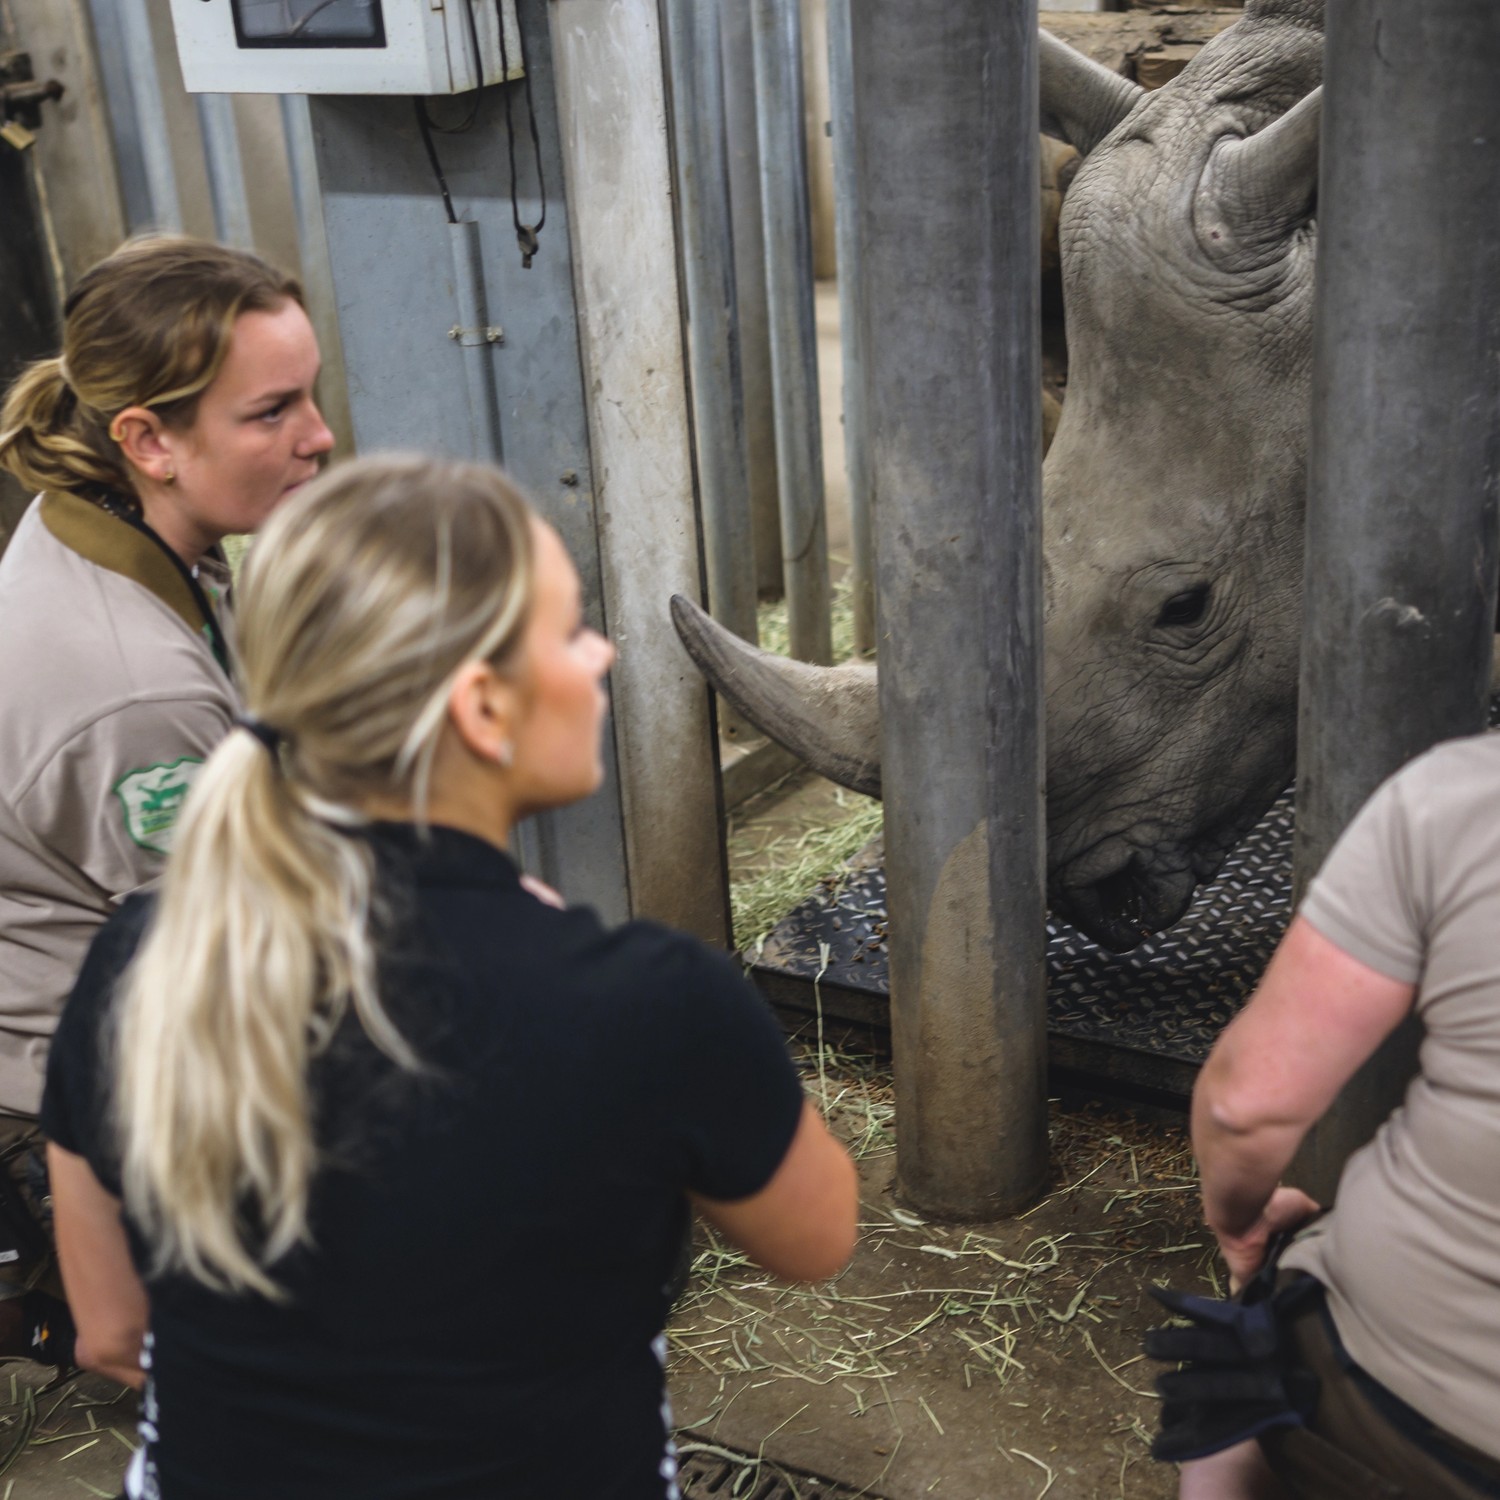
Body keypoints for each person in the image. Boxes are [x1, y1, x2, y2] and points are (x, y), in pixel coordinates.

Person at [40, 454, 859, 1499]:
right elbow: (818, 1236)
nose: (599, 654)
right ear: (481, 708)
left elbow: (110, 1328)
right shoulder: (652, 1001)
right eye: (567, 631)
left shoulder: (143, 957)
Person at [0, 235, 332, 1123]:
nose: (319, 436)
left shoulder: (99, 515)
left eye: (312, 394)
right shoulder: (137, 692)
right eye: (271, 413)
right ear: (148, 440)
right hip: (91, 1113)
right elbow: (232, 966)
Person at [1174, 731, 1500, 1498]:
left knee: (1235, 1378)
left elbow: (1244, 1104)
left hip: (1387, 1392)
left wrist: (1243, 1226)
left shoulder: (1457, 798)